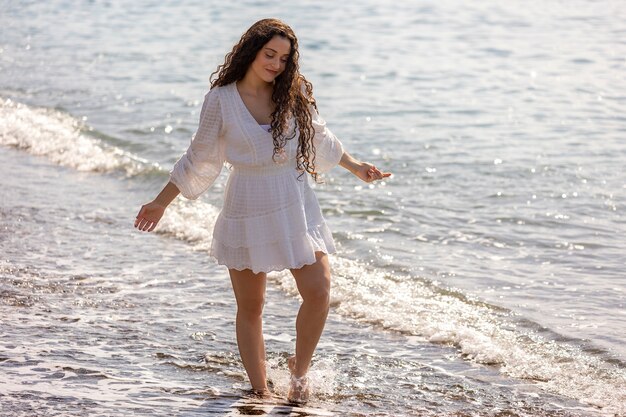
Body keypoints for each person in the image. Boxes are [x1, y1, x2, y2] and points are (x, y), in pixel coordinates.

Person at [134, 18, 391, 403]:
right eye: (270, 54)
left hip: (295, 201)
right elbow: (198, 157)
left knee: (319, 291)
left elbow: (320, 136)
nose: (276, 64)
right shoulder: (221, 100)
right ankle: (259, 390)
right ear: (251, 51)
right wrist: (160, 202)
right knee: (252, 306)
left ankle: (298, 375)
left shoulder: (294, 91)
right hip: (248, 204)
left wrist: (357, 168)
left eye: (284, 58)